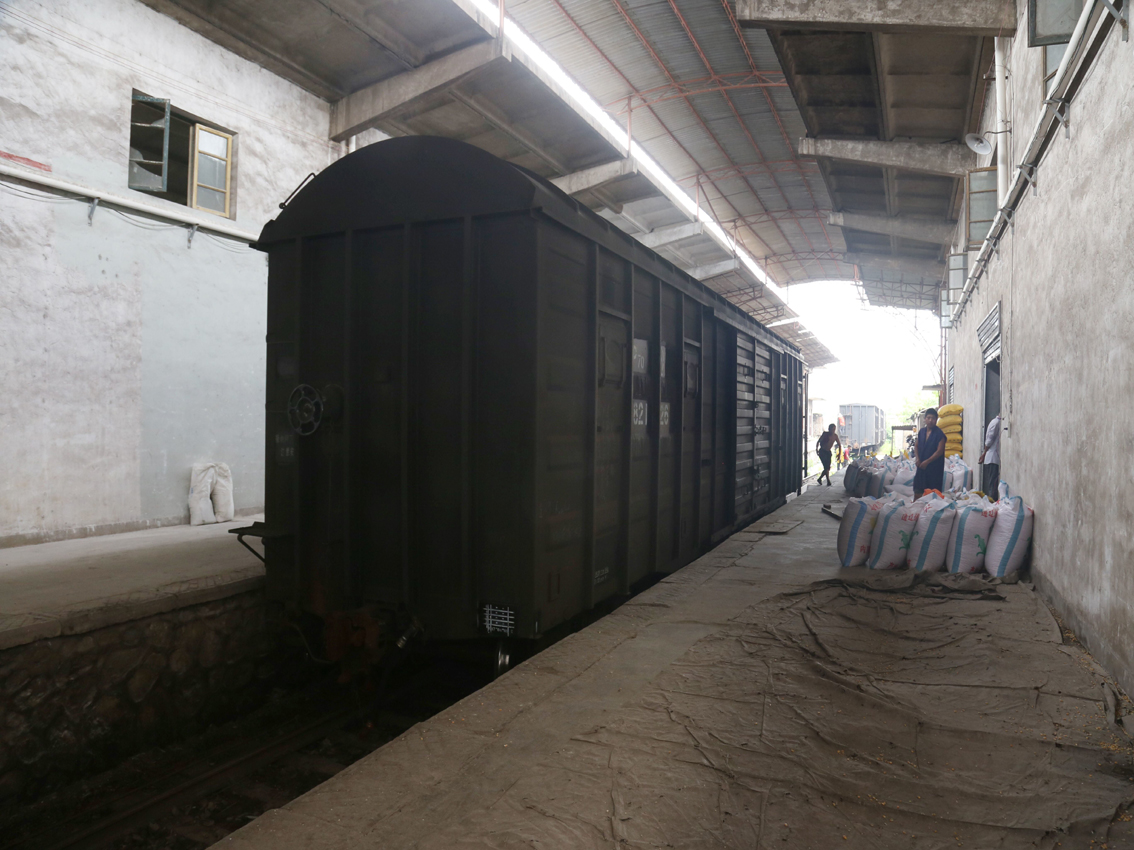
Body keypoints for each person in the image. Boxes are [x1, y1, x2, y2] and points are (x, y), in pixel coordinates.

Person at [913, 408, 947, 500]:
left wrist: (927, 462)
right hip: (921, 467)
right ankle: (916, 507)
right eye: (928, 418)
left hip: (934, 469)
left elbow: (939, 451)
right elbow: (916, 446)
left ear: (936, 420)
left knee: (933, 493)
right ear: (925, 419)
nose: (930, 420)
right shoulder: (921, 432)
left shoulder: (939, 434)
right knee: (918, 490)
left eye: (933, 418)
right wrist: (918, 459)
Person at [979, 414, 1001, 499]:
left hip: (992, 458)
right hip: (993, 458)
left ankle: (991, 501)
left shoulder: (995, 422)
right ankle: (992, 502)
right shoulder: (996, 423)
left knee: (993, 484)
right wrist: (984, 453)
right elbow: (989, 440)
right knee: (993, 485)